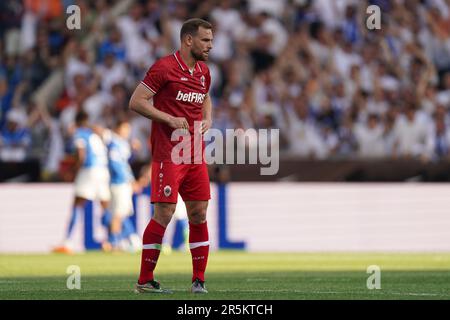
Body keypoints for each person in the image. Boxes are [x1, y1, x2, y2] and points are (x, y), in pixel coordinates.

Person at [129, 18, 213, 294]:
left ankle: (198, 280)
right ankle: (144, 280)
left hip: (195, 154)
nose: (210, 45)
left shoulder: (203, 71)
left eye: (211, 40)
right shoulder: (164, 67)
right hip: (168, 154)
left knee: (199, 213)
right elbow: (137, 101)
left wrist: (208, 118)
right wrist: (167, 118)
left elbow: (206, 96)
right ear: (188, 40)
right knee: (164, 213)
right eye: (205, 40)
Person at [53, 110, 111, 254]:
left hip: (89, 171)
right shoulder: (95, 135)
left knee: (76, 205)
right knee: (105, 206)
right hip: (103, 171)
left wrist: (72, 171)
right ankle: (114, 240)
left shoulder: (80, 134)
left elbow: (81, 155)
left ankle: (67, 242)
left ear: (76, 122)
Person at [101, 117, 142, 252]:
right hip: (119, 183)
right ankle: (114, 242)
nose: (127, 132)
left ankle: (119, 240)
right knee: (117, 214)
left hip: (122, 183)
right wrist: (130, 180)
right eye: (125, 129)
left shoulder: (122, 144)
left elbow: (125, 162)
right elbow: (116, 165)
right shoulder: (114, 143)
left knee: (121, 213)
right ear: (118, 128)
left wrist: (134, 152)